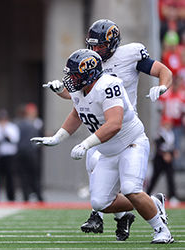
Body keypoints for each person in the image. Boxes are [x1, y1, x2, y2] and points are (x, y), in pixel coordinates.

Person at [43, 19, 173, 241]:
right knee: (99, 199)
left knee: (131, 186)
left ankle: (158, 228)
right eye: (92, 46)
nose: (95, 50)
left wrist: (162, 86)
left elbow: (162, 71)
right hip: (103, 136)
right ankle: (139, 207)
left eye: (100, 46)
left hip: (124, 131)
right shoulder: (88, 69)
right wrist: (58, 134)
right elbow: (76, 101)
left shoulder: (116, 72)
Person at [0, 109, 20, 201]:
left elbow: (14, 139)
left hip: (9, 155)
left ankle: (11, 198)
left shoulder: (12, 127)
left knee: (10, 177)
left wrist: (4, 132)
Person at [15, 103, 44, 202]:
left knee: (25, 175)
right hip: (31, 152)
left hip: (21, 151)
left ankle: (27, 196)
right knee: (32, 175)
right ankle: (37, 196)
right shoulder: (35, 124)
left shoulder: (18, 124)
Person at [146, 117, 178, 204]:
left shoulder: (171, 133)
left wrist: (173, 151)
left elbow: (170, 145)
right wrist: (164, 154)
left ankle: (173, 196)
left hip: (168, 158)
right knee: (155, 177)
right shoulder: (160, 133)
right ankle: (147, 194)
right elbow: (158, 145)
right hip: (159, 158)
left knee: (170, 177)